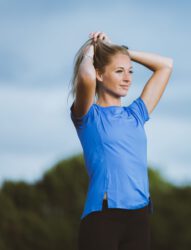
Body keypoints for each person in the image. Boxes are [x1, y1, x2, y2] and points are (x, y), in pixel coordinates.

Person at [68, 31, 173, 250]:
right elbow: (85, 77)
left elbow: (166, 65)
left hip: (139, 217)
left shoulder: (135, 114)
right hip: (103, 217)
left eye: (130, 71)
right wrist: (91, 50)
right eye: (119, 71)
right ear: (100, 74)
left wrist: (122, 51)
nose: (128, 78)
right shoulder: (89, 116)